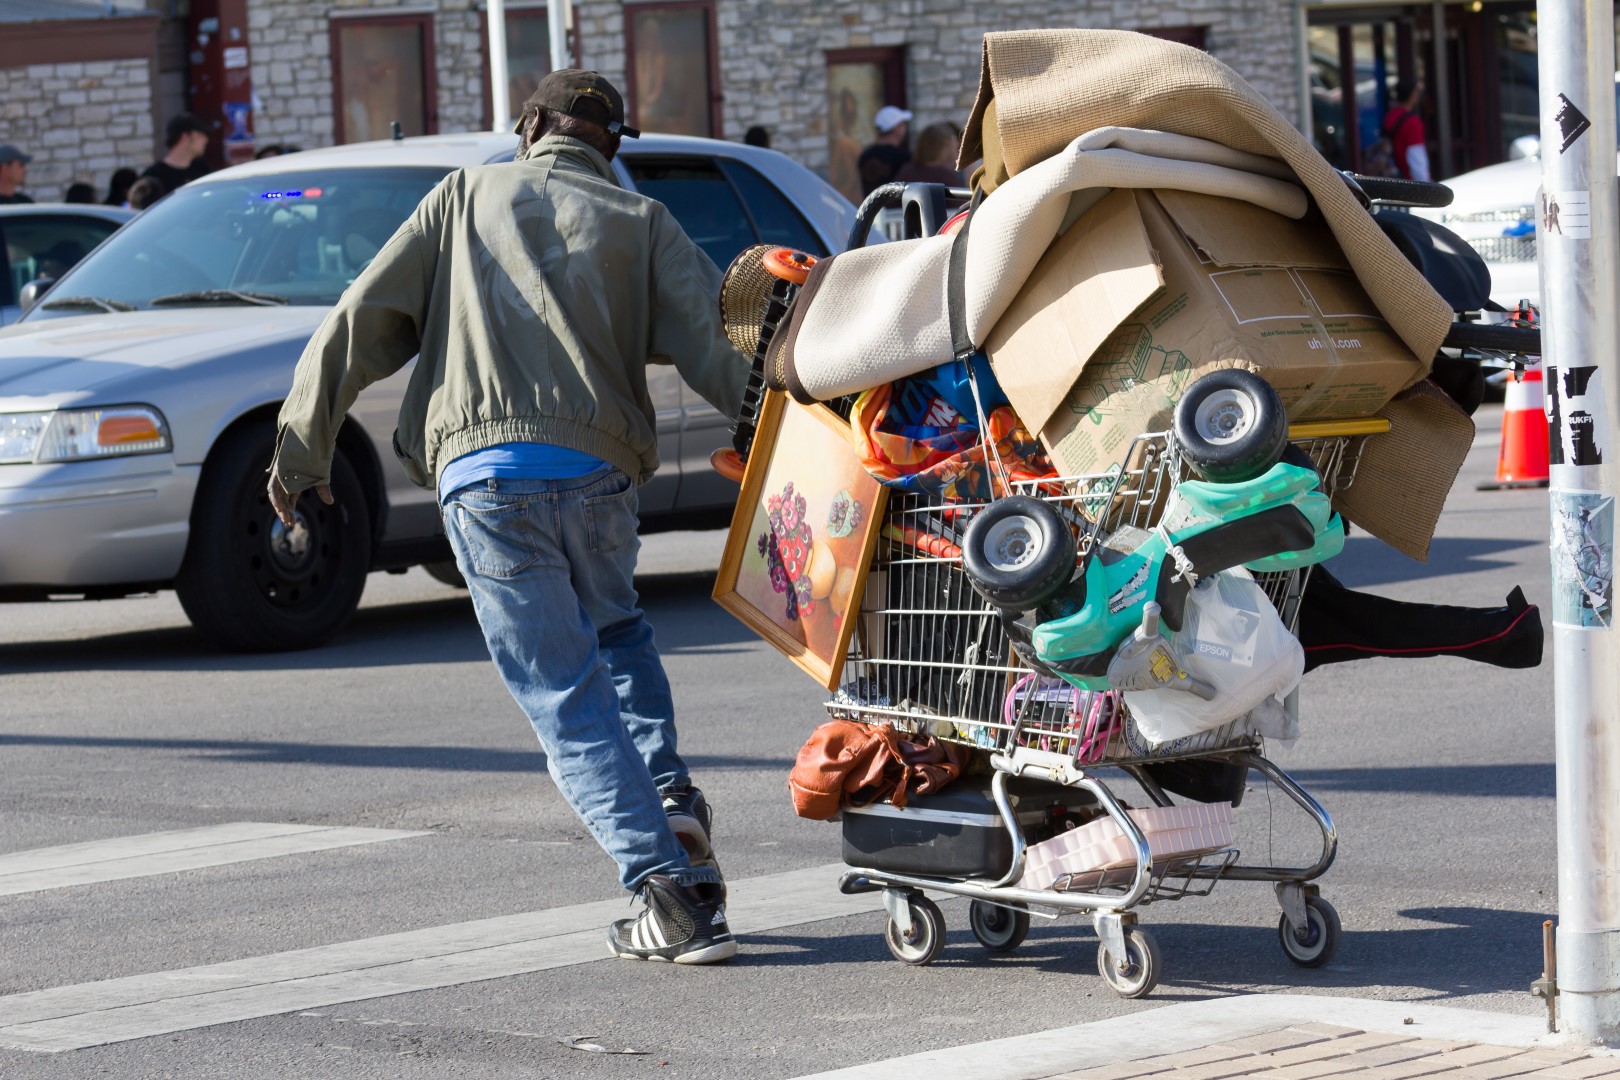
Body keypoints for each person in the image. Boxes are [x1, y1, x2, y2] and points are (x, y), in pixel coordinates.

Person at [268, 69, 743, 965]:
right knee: (620, 633)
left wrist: (302, 449)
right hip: (601, 476)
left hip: (486, 481)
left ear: (529, 126)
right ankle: (673, 800)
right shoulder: (642, 223)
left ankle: (666, 893)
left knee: (565, 693)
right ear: (611, 144)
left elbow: (359, 319)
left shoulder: (462, 197)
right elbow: (723, 356)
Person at [142, 113, 211, 194]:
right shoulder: (153, 177)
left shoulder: (201, 169)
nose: (206, 140)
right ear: (185, 137)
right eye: (200, 135)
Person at [1381, 77, 1430, 182]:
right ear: (1413, 95)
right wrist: (1426, 187)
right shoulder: (1412, 122)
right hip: (1408, 184)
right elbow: (1417, 160)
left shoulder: (1389, 116)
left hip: (1390, 180)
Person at [858, 105, 912, 196]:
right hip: (897, 209)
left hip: (870, 208)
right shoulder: (904, 158)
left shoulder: (864, 156)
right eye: (903, 124)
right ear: (896, 128)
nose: (905, 128)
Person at [895, 122, 965, 187]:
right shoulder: (945, 177)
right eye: (956, 147)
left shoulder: (907, 172)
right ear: (946, 146)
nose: (958, 151)